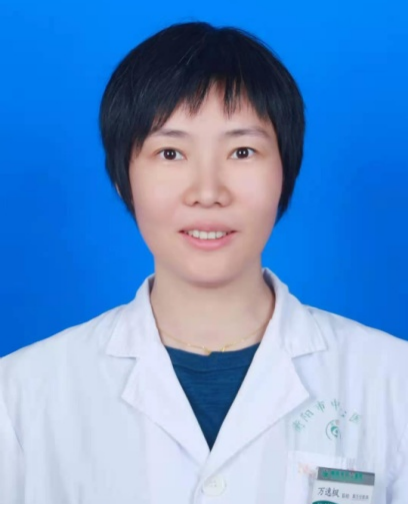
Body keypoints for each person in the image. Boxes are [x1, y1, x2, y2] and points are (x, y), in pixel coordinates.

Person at [0, 21, 407, 505]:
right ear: (123, 179)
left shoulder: (391, 383)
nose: (208, 192)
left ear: (286, 171)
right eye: (171, 152)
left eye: (242, 151)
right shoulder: (21, 396)